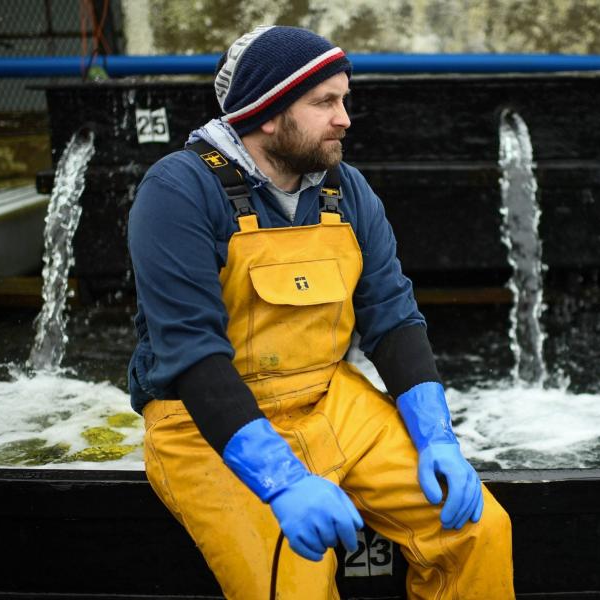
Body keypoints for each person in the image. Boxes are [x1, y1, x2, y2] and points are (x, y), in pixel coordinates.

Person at [127, 25, 514, 600]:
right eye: (324, 102)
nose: (345, 118)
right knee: (295, 579)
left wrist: (438, 439)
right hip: (202, 425)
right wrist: (281, 482)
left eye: (344, 100)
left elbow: (393, 317)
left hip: (332, 400)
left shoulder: (345, 189)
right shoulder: (179, 191)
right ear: (265, 113)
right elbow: (192, 353)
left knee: (479, 529)